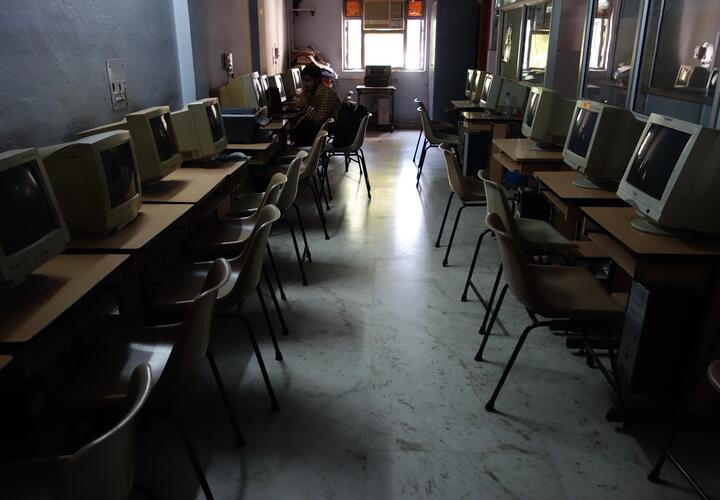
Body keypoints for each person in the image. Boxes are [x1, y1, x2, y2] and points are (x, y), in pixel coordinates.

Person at [291, 65, 341, 146]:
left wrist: (305, 103)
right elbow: (299, 106)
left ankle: (305, 155)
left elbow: (318, 120)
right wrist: (303, 99)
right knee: (299, 126)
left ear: (317, 80)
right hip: (321, 126)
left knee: (301, 129)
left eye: (308, 80)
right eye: (303, 81)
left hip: (330, 127)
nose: (305, 84)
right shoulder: (313, 91)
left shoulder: (326, 93)